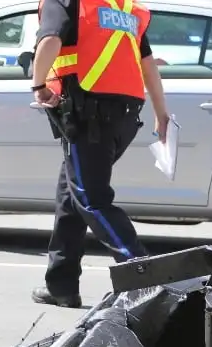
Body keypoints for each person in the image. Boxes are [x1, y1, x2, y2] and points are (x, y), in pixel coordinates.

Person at [28, 0, 171, 308]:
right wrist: (162, 113)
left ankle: (144, 276)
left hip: (88, 115)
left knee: (91, 199)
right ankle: (61, 284)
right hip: (124, 116)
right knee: (70, 195)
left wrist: (38, 85)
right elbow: (147, 63)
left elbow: (51, 39)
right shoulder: (125, 8)